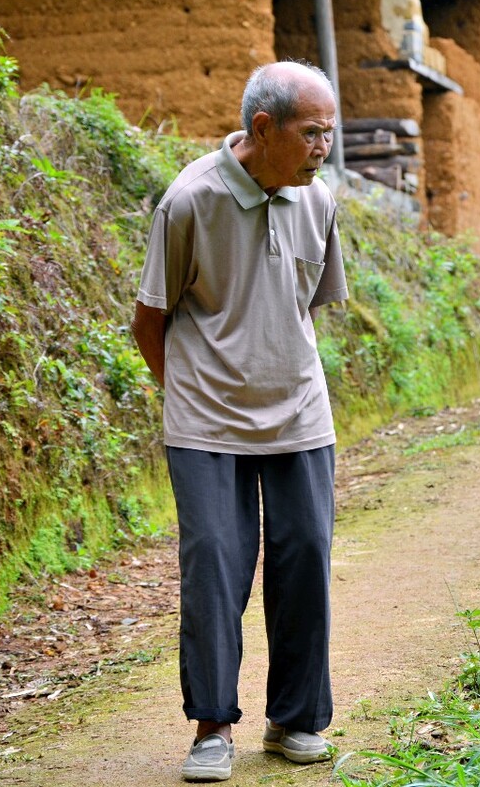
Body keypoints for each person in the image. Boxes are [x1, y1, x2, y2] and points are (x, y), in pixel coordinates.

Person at [131, 60, 347, 782]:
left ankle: (295, 718)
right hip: (205, 422)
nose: (324, 146)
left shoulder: (319, 201)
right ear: (264, 128)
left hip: (299, 414)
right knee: (217, 564)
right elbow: (150, 317)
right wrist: (188, 395)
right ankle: (213, 725)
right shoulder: (190, 201)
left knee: (305, 553)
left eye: (329, 132)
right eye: (312, 132)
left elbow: (307, 303)